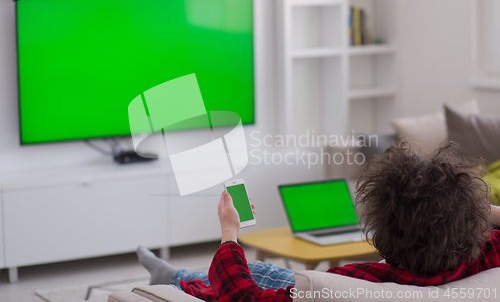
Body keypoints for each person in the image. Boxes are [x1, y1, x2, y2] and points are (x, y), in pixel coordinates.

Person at [137, 143, 500, 302]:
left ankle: (173, 280)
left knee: (251, 274)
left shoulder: (349, 285)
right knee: (262, 268)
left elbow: (242, 297)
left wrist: (229, 233)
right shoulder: (486, 256)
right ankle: (173, 276)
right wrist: (472, 212)